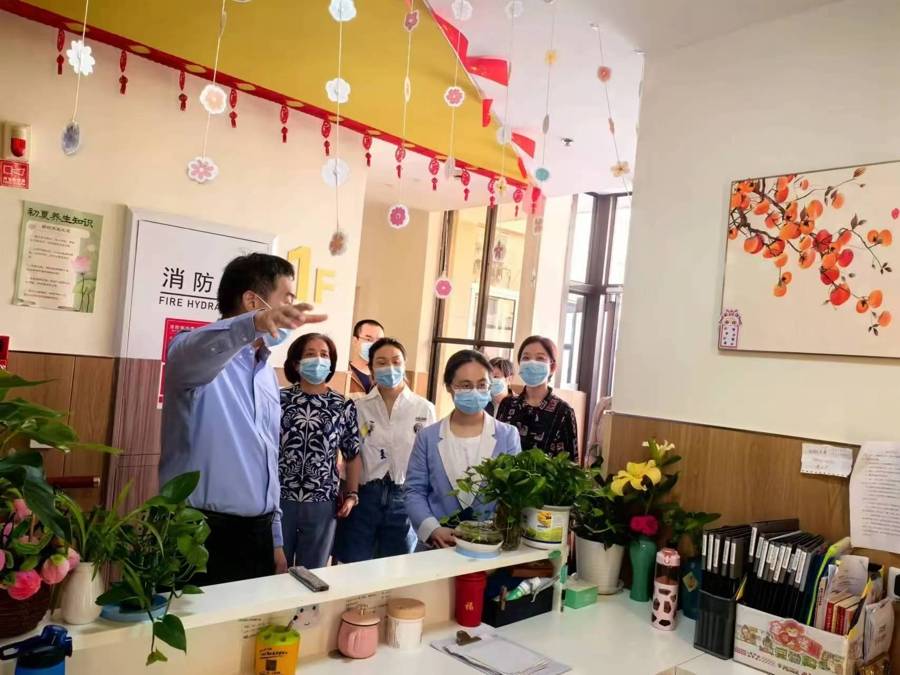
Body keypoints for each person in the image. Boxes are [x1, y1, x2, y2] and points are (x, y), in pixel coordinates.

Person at [160, 253, 326, 585]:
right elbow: (196, 348)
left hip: (258, 533)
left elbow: (268, 457)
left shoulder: (266, 372)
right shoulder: (192, 354)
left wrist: (275, 538)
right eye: (286, 300)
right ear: (253, 301)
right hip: (198, 531)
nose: (292, 312)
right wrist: (252, 324)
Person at [405, 350, 521, 549]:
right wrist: (432, 529)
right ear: (449, 387)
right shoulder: (428, 437)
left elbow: (513, 493)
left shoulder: (507, 435)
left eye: (482, 384)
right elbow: (414, 490)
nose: (475, 391)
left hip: (489, 546)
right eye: (466, 385)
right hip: (437, 547)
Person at [334, 338, 436, 562]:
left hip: (404, 497)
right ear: (371, 368)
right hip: (363, 497)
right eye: (381, 362)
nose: (390, 367)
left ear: (404, 365)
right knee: (354, 565)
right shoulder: (357, 407)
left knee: (396, 566)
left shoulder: (424, 408)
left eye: (396, 361)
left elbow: (430, 459)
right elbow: (349, 452)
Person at [279, 333, 361, 569]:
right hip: (280, 497)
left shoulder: (342, 405)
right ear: (296, 363)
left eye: (324, 355)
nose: (318, 360)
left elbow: (352, 453)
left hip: (322, 500)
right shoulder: (279, 399)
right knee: (274, 569)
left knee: (313, 572)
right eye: (310, 354)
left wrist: (352, 494)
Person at [497, 335, 579, 461]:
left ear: (552, 367)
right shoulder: (507, 404)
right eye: (526, 358)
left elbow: (570, 464)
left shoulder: (563, 411)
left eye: (540, 358)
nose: (532, 363)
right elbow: (496, 449)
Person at [347, 319, 385, 397]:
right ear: (355, 341)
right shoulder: (344, 374)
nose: (374, 345)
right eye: (368, 339)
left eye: (379, 341)